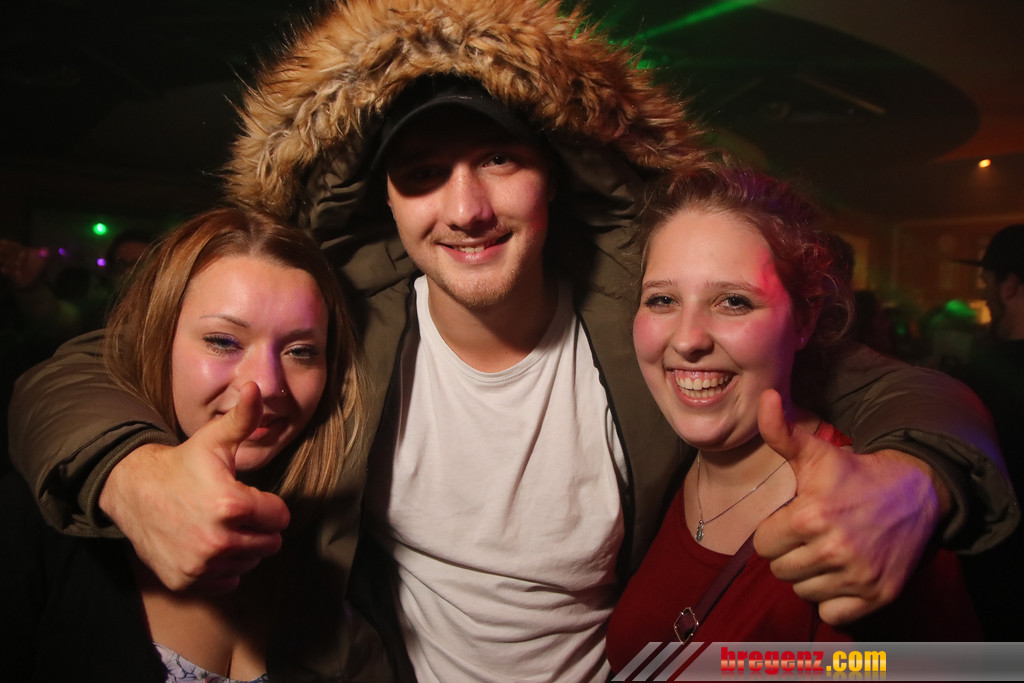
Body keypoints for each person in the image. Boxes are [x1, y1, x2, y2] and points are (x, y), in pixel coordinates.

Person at [8, 0, 1015, 679]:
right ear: (388, 202)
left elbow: (895, 387)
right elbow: (77, 372)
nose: (467, 208)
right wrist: (131, 474)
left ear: (555, 175)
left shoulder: (646, 318)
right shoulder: (346, 313)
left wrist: (919, 482)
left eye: (498, 158)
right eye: (424, 173)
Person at [606, 168, 981, 668]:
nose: (688, 338)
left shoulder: (868, 517)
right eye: (662, 299)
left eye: (733, 301)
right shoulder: (654, 465)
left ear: (804, 319)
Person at [1, 208, 388, 681]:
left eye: (301, 351)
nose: (266, 385)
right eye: (224, 341)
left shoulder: (343, 530)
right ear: (157, 341)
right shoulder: (42, 517)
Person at [954, 224, 1024, 640]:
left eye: (986, 283)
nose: (984, 297)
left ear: (1009, 285)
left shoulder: (978, 382)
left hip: (999, 597)